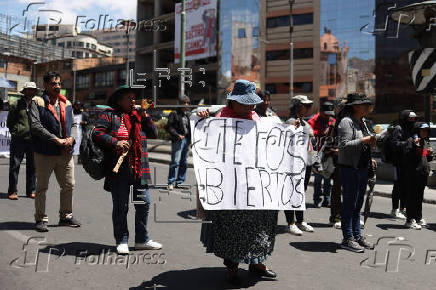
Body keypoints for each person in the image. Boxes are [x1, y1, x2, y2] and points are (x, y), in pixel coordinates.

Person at [198, 80, 277, 286]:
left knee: (260, 225)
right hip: (230, 186)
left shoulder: (256, 118)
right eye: (245, 103)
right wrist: (203, 124)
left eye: (252, 103)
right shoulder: (220, 119)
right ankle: (231, 267)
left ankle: (258, 262)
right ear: (233, 102)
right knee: (231, 227)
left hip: (256, 185)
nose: (250, 107)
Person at [92, 85, 162, 254]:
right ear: (119, 100)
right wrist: (115, 142)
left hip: (139, 168)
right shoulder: (110, 115)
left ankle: (142, 240)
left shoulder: (138, 116)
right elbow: (97, 133)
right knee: (121, 206)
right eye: (129, 98)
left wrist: (144, 115)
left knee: (143, 204)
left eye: (134, 98)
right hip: (119, 169)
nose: (133, 101)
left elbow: (153, 133)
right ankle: (122, 240)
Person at [29, 72, 80, 232]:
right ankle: (41, 218)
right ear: (45, 85)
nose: (57, 87)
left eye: (59, 83)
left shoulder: (67, 103)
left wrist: (71, 138)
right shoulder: (37, 102)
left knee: (69, 185)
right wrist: (54, 139)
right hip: (45, 152)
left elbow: (73, 125)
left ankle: (66, 216)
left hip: (65, 152)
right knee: (42, 187)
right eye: (53, 84)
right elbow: (36, 126)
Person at [337, 93, 376, 253]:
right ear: (355, 106)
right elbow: (344, 145)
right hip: (349, 169)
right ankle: (347, 238)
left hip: (361, 168)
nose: (367, 106)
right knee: (349, 204)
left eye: (367, 104)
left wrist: (371, 149)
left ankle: (357, 236)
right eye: (363, 104)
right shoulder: (346, 122)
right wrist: (365, 140)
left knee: (358, 205)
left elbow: (364, 144)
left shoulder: (363, 122)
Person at [284, 95, 314, 235]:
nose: (308, 109)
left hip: (305, 164)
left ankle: (301, 221)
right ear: (296, 106)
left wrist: (313, 162)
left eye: (309, 106)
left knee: (301, 192)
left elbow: (309, 146)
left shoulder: (305, 124)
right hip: (292, 165)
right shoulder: (289, 122)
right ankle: (290, 223)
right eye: (305, 106)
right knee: (290, 192)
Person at [6, 82, 38, 200]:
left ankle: (31, 190)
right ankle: (12, 191)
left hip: (33, 140)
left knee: (32, 166)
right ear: (24, 91)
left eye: (33, 90)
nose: (31, 91)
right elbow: (10, 122)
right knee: (15, 165)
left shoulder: (36, 104)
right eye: (29, 89)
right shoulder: (16, 104)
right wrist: (15, 131)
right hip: (18, 139)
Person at [390, 110, 417, 220]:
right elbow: (394, 144)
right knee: (398, 186)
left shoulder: (412, 129)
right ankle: (394, 209)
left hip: (408, 162)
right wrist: (407, 143)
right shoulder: (398, 128)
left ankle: (403, 208)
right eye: (410, 118)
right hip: (398, 163)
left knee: (406, 186)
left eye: (414, 118)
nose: (412, 120)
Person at [308, 101, 336, 208]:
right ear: (320, 112)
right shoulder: (312, 121)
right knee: (318, 179)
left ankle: (327, 199)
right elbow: (310, 135)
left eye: (330, 114)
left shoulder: (332, 121)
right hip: (317, 155)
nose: (328, 116)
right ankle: (317, 199)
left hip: (329, 154)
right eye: (326, 114)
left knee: (328, 179)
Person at [407, 122, 433, 229]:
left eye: (426, 130)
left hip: (422, 174)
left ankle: (418, 217)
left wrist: (429, 154)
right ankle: (409, 219)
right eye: (423, 130)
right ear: (417, 130)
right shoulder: (412, 141)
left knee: (419, 198)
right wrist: (415, 146)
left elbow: (424, 158)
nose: (425, 132)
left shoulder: (424, 142)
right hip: (413, 174)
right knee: (412, 197)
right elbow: (408, 157)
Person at [166, 96, 191, 190]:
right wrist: (177, 135)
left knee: (184, 162)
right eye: (184, 103)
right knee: (175, 162)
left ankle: (179, 182)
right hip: (178, 140)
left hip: (187, 140)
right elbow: (169, 126)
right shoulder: (174, 113)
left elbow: (190, 128)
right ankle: (171, 182)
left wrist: (191, 140)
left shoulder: (188, 114)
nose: (186, 105)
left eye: (187, 103)